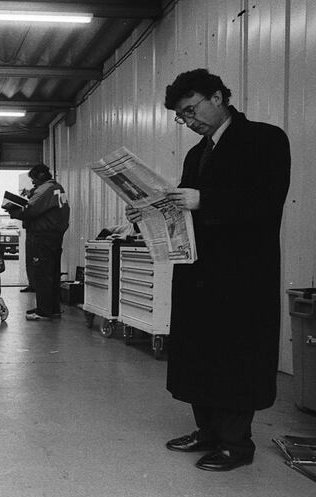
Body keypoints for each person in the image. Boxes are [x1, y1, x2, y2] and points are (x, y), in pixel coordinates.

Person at [126, 69, 290, 472]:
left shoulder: (265, 139)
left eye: (191, 109)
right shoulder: (196, 153)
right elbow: (184, 209)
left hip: (242, 271)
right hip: (198, 268)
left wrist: (205, 201)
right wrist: (147, 213)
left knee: (235, 352)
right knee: (199, 350)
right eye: (182, 116)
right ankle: (207, 432)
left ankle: (236, 443)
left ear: (218, 97)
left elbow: (267, 202)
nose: (188, 120)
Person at [4, 164, 69, 321]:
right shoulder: (58, 188)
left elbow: (30, 209)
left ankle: (43, 311)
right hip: (55, 235)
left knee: (42, 273)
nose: (32, 182)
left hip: (43, 236)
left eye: (33, 178)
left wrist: (12, 210)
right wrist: (31, 194)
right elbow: (46, 205)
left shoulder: (45, 190)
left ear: (41, 176)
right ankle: (52, 309)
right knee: (52, 273)